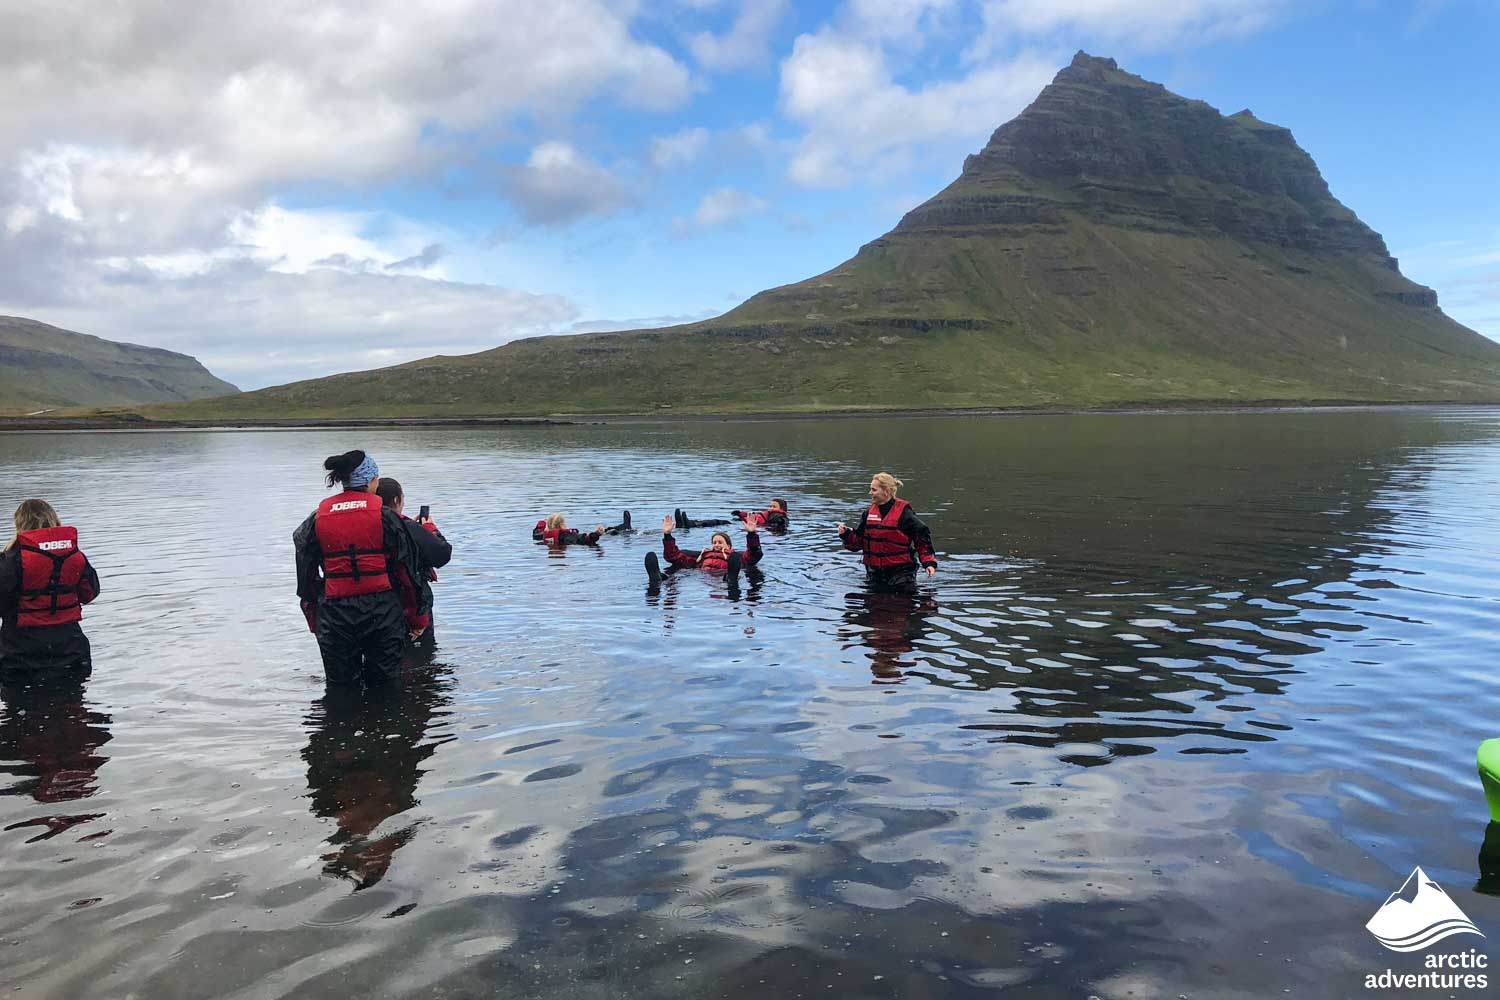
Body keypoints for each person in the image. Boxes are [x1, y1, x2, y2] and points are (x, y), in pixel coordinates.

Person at [293, 450, 428, 686]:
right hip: (382, 611)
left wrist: (314, 620)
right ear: (370, 481)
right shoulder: (385, 516)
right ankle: (387, 721)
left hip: (335, 615)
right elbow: (407, 571)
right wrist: (418, 618)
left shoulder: (317, 518)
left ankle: (339, 718)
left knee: (341, 687)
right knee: (386, 686)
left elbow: (306, 577)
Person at [0, 500, 101, 682]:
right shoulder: (74, 555)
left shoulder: (11, 559)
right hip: (71, 648)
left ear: (20, 524)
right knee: (73, 706)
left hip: (21, 653)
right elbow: (90, 593)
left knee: (19, 707)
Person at [375, 478, 452, 648]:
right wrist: (430, 529)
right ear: (397, 500)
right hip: (410, 603)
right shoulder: (406, 527)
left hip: (375, 604)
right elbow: (442, 554)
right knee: (421, 653)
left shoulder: (367, 525)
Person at [837, 473, 937, 593]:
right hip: (875, 573)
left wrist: (929, 563)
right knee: (874, 607)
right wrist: (846, 534)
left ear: (886, 491)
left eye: (873, 490)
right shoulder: (868, 514)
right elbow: (859, 543)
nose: (870, 493)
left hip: (901, 573)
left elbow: (922, 539)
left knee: (899, 606)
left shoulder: (905, 514)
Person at [646, 514, 762, 590]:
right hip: (702, 575)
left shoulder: (736, 557)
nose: (716, 545)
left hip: (724, 574)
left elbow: (753, 554)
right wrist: (667, 535)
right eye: (714, 542)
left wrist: (751, 534)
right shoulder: (702, 556)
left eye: (720, 542)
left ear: (729, 545)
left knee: (730, 578)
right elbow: (673, 556)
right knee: (676, 576)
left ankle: (731, 579)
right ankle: (660, 578)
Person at [532, 511, 631, 546]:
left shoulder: (543, 537)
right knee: (612, 532)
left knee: (607, 530)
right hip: (593, 538)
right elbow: (583, 539)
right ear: (562, 526)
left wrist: (543, 523)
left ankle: (624, 526)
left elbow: (536, 533)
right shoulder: (566, 536)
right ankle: (626, 527)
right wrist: (596, 534)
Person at [674, 500, 789, 531]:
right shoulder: (768, 514)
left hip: (750, 527)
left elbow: (782, 521)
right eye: (770, 506)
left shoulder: (779, 517)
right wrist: (740, 513)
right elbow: (752, 515)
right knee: (718, 521)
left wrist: (780, 521)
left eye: (774, 506)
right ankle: (690, 523)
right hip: (744, 525)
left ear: (782, 509)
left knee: (719, 522)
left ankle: (692, 524)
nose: (771, 508)